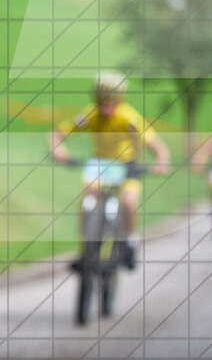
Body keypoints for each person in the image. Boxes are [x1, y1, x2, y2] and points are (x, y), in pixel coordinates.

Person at [49, 70, 170, 269]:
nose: (106, 108)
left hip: (126, 166)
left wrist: (161, 159)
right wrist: (57, 149)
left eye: (112, 102)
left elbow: (155, 143)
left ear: (120, 100)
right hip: (100, 165)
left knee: (128, 202)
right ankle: (86, 250)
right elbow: (58, 133)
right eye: (101, 102)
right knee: (88, 199)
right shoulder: (89, 115)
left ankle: (130, 242)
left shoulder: (128, 118)